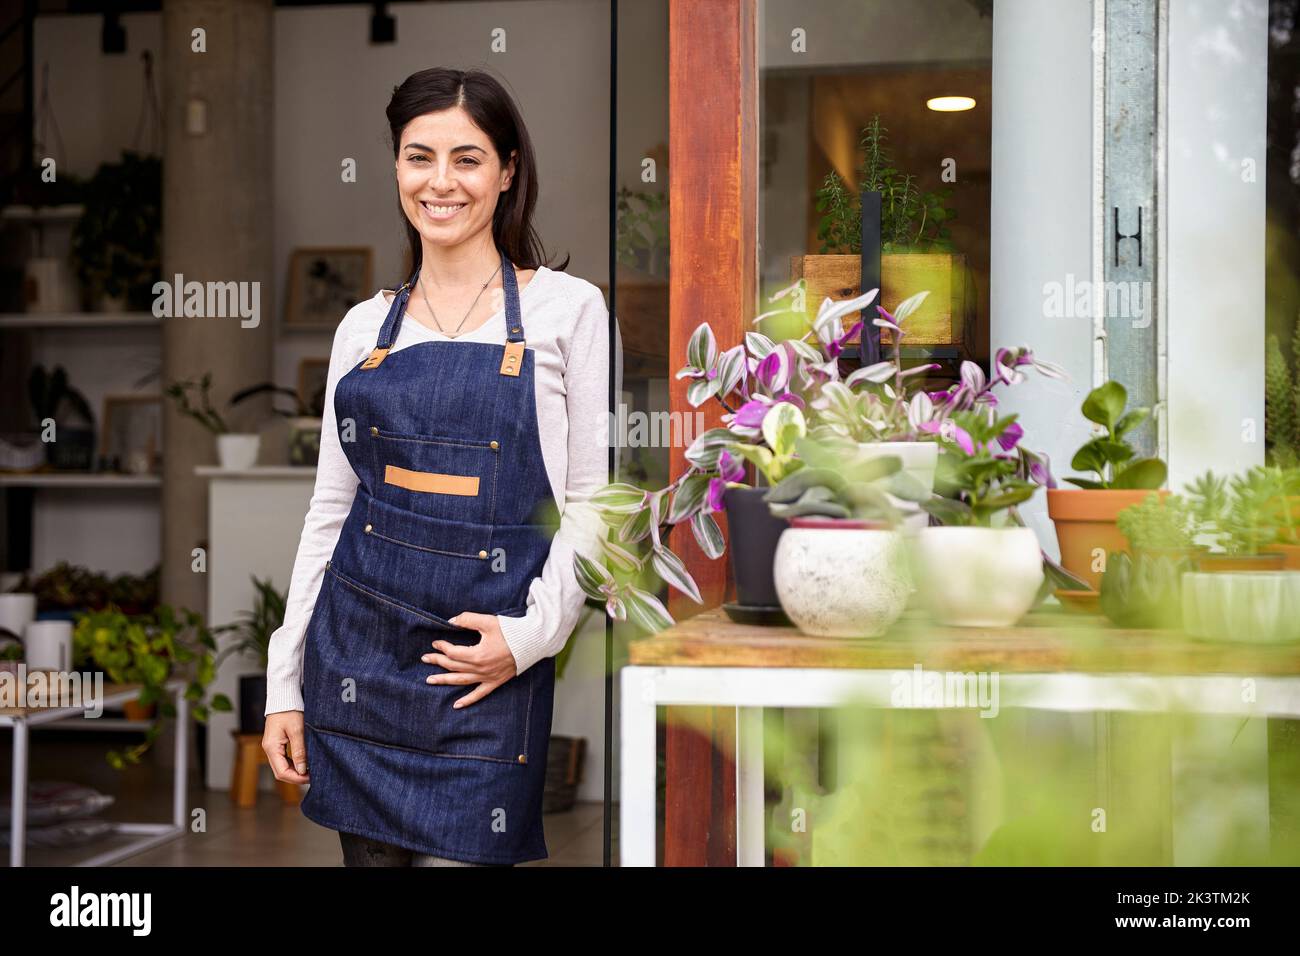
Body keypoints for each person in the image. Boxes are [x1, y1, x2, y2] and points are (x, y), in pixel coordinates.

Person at [261, 66, 613, 867]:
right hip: (360, 660)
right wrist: (287, 680)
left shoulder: (568, 310)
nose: (440, 182)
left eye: (468, 158)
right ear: (395, 167)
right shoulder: (361, 328)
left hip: (483, 672)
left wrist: (530, 639)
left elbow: (593, 501)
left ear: (507, 171)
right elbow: (330, 512)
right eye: (419, 157)